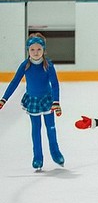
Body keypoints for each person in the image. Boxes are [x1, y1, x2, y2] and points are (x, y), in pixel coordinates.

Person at [0, 32, 64, 171]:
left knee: (51, 128)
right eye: (32, 49)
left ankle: (55, 152)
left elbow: (55, 84)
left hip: (47, 100)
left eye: (39, 49)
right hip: (33, 101)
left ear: (44, 50)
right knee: (36, 130)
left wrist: (56, 101)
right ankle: (38, 157)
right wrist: (4, 99)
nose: (36, 52)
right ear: (28, 50)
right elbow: (14, 82)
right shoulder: (25, 65)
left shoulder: (49, 65)